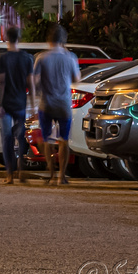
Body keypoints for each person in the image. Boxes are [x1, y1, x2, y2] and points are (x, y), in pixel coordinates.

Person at [33, 25, 82, 184]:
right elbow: (76, 79)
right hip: (63, 103)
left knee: (46, 139)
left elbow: (35, 80)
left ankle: (52, 174)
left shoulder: (42, 57)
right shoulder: (71, 57)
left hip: (46, 103)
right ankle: (62, 176)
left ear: (49, 40)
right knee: (64, 139)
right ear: (64, 40)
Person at [0, 27, 35, 184]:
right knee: (21, 135)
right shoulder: (27, 58)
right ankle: (22, 168)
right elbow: (31, 83)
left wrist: (0, 104)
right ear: (20, 38)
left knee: (7, 138)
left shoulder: (2, 59)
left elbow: (0, 81)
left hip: (5, 103)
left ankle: (9, 175)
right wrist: (32, 103)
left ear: (6, 38)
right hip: (20, 102)